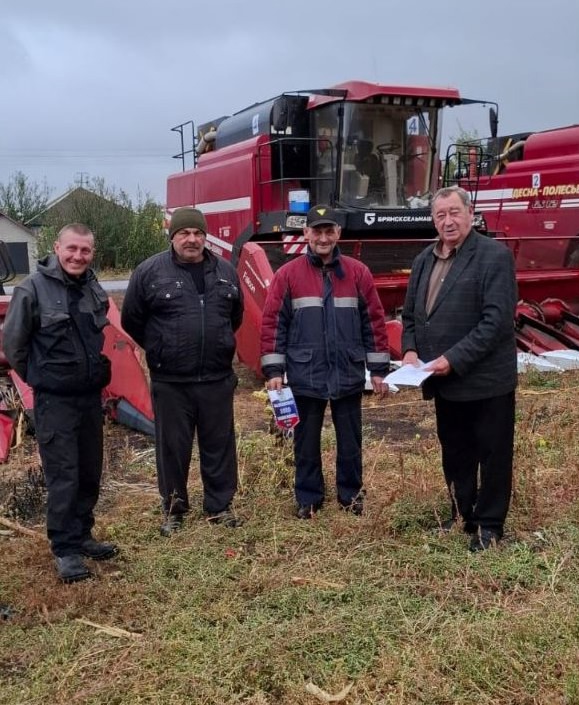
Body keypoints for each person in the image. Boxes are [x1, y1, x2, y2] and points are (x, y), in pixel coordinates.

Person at [401, 186, 518, 552]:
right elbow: (409, 316)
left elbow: (495, 322)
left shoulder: (493, 257)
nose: (448, 221)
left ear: (470, 214)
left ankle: (489, 525)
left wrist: (454, 359)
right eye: (440, 215)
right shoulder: (424, 260)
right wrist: (409, 351)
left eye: (454, 212)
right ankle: (462, 513)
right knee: (455, 451)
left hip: (485, 382)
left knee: (493, 453)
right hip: (443, 381)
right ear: (433, 220)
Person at [3, 224, 117, 583]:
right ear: (57, 248)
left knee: (88, 472)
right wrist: (43, 377)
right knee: (63, 475)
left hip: (89, 398)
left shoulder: (93, 287)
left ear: (91, 253)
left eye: (84, 250)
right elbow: (15, 348)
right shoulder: (31, 289)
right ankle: (65, 549)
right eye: (72, 249)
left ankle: (83, 534)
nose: (77, 256)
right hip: (54, 401)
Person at [261, 205, 390, 518]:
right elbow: (274, 323)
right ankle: (309, 498)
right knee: (305, 442)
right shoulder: (287, 275)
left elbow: (373, 321)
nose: (322, 237)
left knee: (351, 441)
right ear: (305, 234)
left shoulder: (358, 273)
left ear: (338, 234)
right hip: (306, 372)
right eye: (316, 231)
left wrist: (377, 371)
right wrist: (275, 370)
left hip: (346, 370)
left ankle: (351, 495)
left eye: (328, 231)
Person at [121, 207, 243, 536]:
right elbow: (131, 319)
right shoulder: (150, 272)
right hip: (171, 381)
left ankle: (219, 507)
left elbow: (235, 317)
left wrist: (216, 346)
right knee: (173, 449)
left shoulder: (226, 272)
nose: (192, 239)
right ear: (172, 236)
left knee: (219, 446)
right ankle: (174, 510)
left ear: (206, 237)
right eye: (184, 233)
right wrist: (162, 348)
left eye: (198, 233)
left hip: (216, 379)